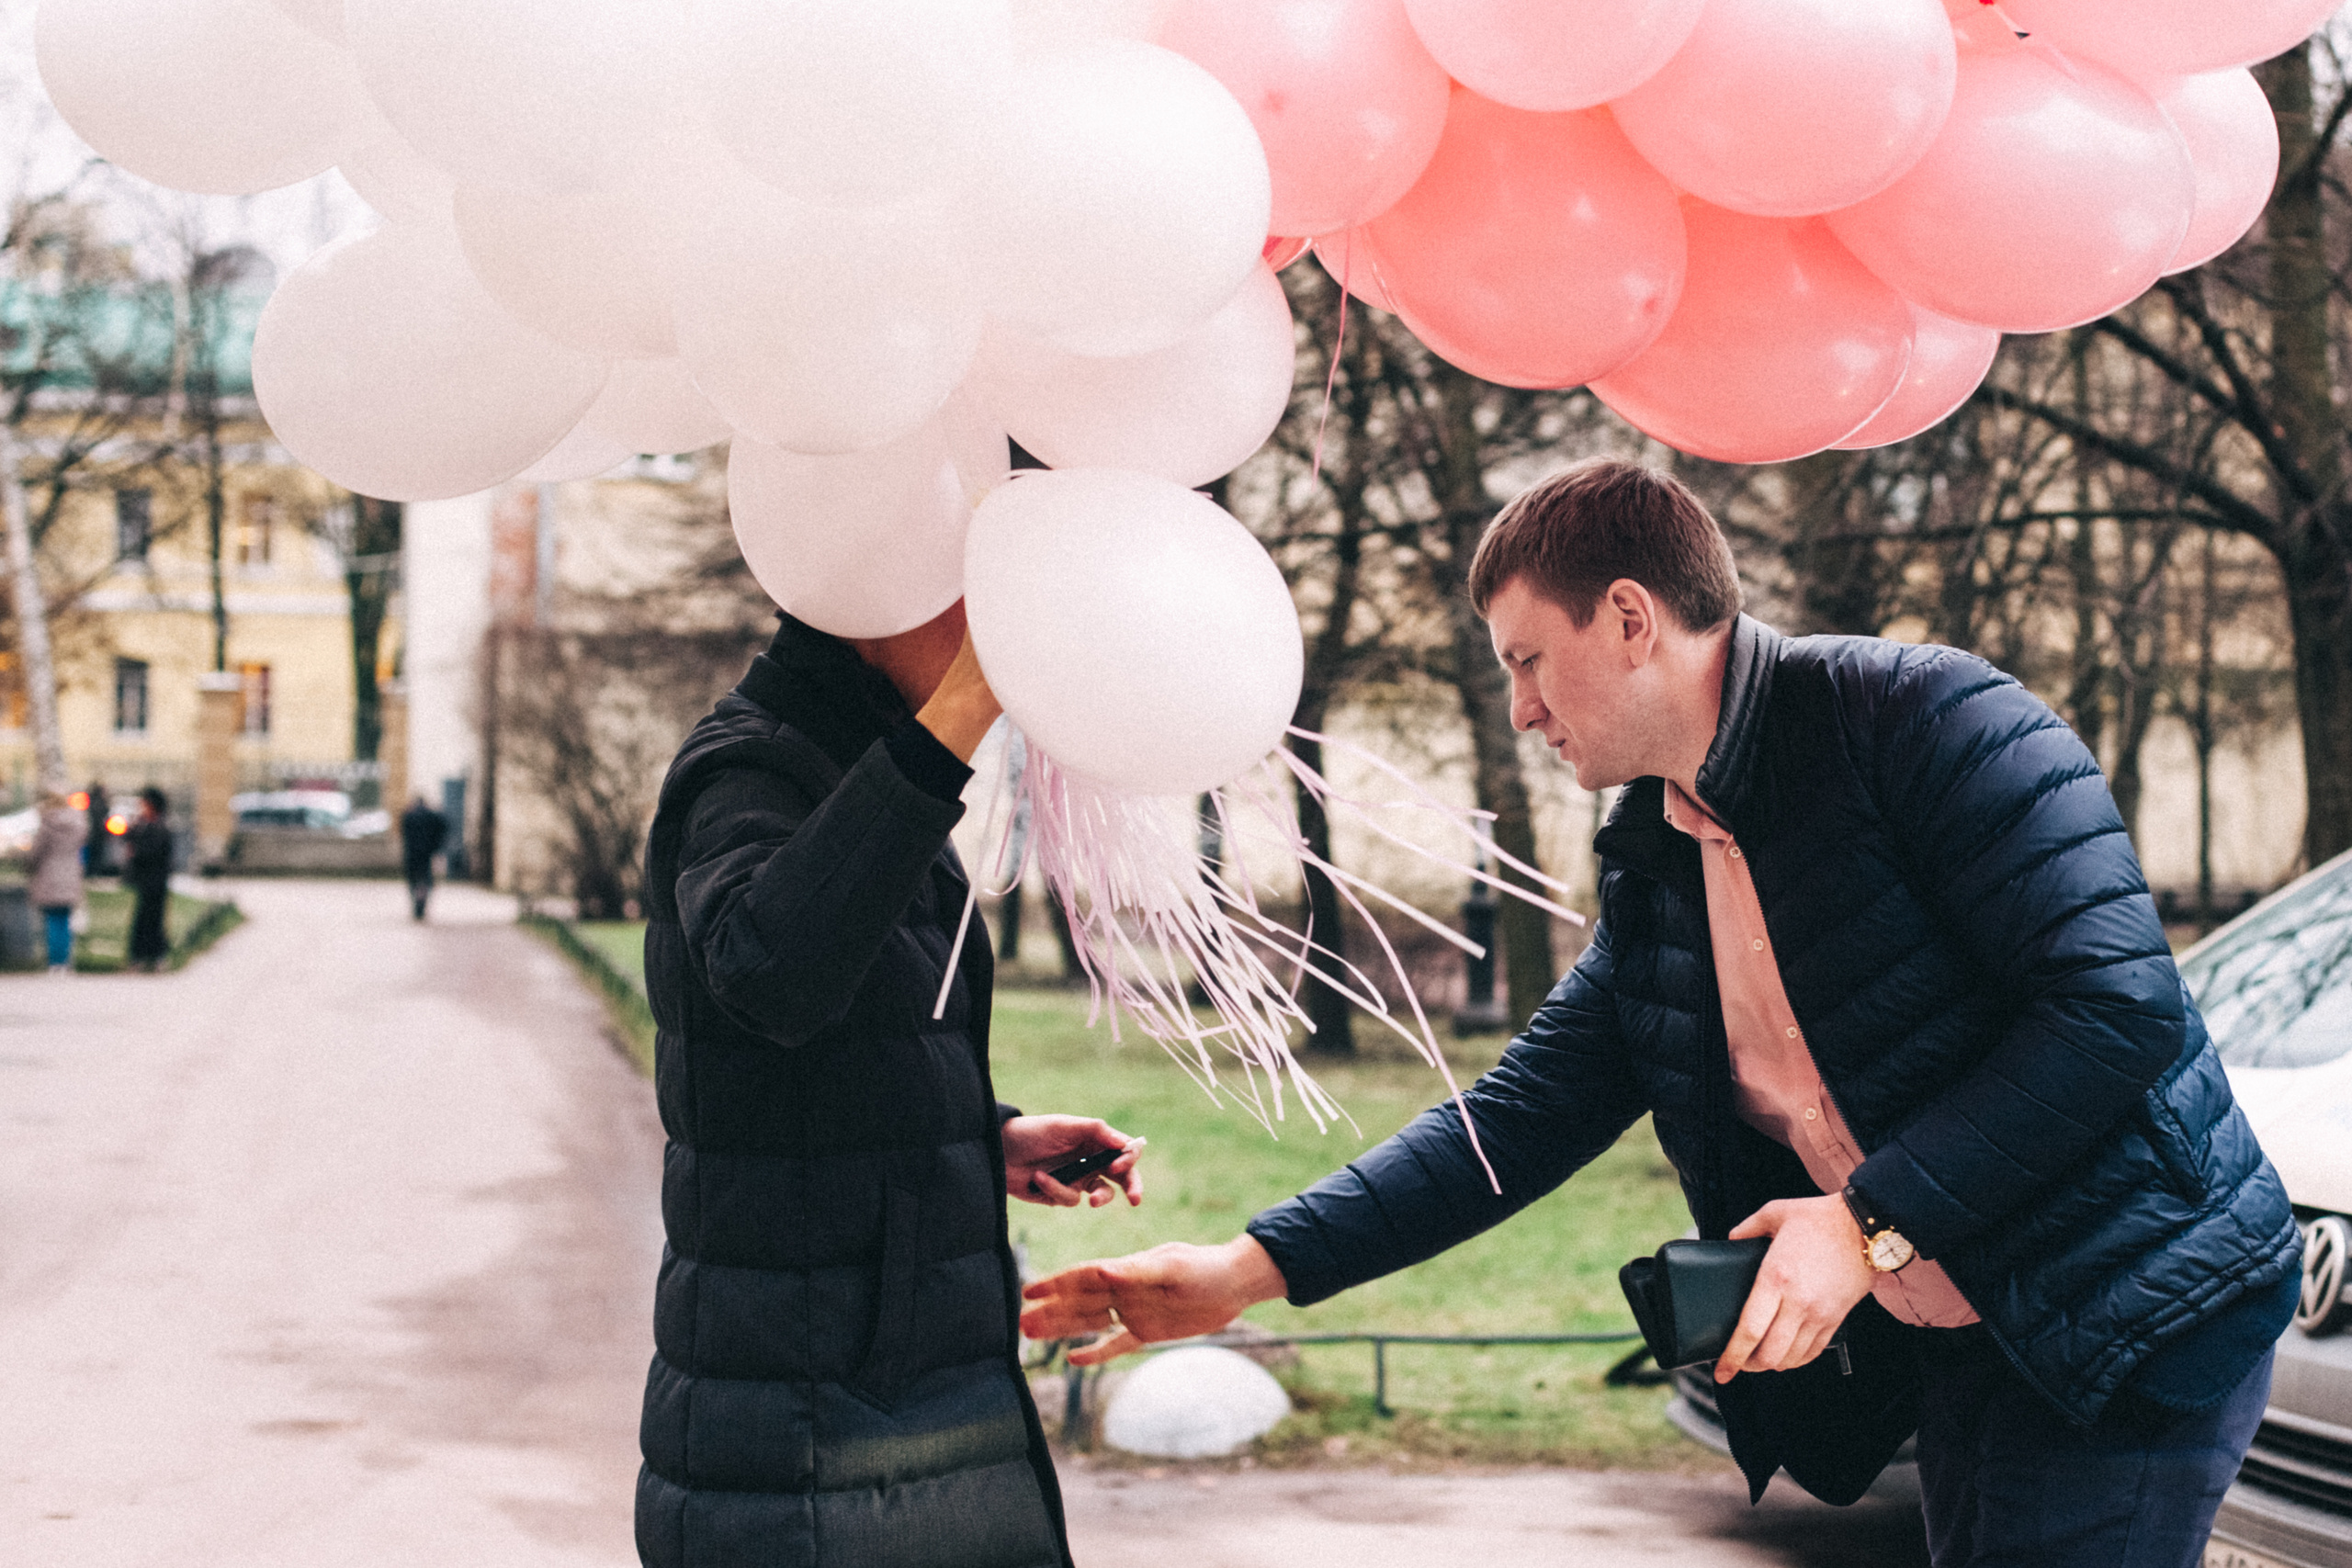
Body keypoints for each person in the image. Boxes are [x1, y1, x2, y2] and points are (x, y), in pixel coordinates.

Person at [1022, 460, 2302, 1568]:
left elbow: (2112, 1011)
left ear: (1631, 617)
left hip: (2142, 1297)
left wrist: (1864, 1227)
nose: (1521, 706)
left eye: (1528, 659)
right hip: (1975, 1321)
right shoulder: (1660, 847)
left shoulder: (1932, 720)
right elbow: (1522, 1116)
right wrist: (1247, 1269)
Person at [635, 602, 1142, 1568]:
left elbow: (816, 1047)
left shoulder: (851, 755)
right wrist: (951, 718)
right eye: (973, 591)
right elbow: (770, 973)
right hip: (806, 1434)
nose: (1001, 618)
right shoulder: (751, 767)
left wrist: (978, 1134)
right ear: (879, 594)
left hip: (881, 1397)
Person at [29, 789, 89, 974]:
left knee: (52, 920)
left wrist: (28, 863)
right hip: (71, 872)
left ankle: (55, 962)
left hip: (50, 873)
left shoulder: (47, 825)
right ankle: (65, 960)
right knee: (64, 919)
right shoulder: (78, 822)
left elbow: (36, 852)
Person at [123, 786, 173, 973]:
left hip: (156, 881)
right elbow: (129, 838)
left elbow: (153, 852)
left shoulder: (160, 826)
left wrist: (136, 853)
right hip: (145, 881)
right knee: (143, 919)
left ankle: (155, 956)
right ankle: (142, 956)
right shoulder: (143, 824)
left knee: (154, 920)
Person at [399, 795, 448, 921]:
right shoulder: (432, 816)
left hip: (412, 853)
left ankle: (416, 905)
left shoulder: (408, 815)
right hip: (426, 853)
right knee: (426, 880)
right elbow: (444, 827)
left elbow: (403, 833)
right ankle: (422, 904)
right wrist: (437, 847)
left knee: (413, 880)